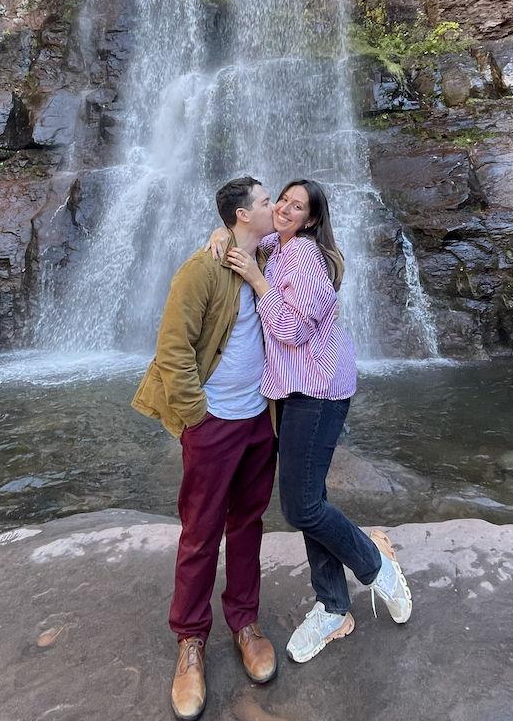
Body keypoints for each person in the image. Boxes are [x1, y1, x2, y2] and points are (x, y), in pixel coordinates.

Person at [208, 178, 412, 664]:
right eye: (282, 199)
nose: (284, 208)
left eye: (297, 207)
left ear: (311, 220)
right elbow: (239, 236)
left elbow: (292, 331)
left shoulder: (300, 254)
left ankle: (373, 563)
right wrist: (217, 236)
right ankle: (332, 606)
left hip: (316, 391)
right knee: (310, 498)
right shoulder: (275, 248)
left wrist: (258, 285)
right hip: (295, 391)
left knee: (300, 507)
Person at [131, 175, 279, 721]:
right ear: (242, 216)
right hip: (214, 423)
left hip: (259, 419)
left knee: (248, 524)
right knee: (200, 532)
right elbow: (172, 349)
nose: (272, 208)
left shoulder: (271, 253)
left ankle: (245, 623)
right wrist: (197, 418)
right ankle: (190, 641)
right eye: (265, 202)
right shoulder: (200, 269)